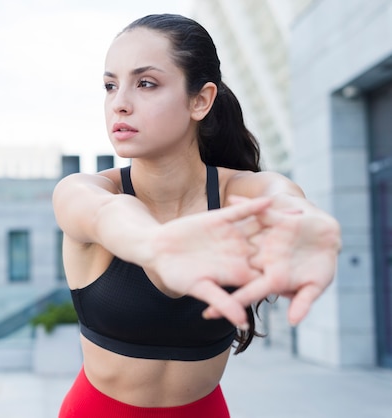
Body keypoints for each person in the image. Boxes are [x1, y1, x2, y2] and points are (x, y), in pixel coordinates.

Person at [52, 14, 341, 418]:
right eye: (110, 85)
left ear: (200, 100)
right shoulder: (86, 191)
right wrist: (155, 246)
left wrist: (302, 221)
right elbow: (108, 215)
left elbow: (281, 197)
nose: (119, 102)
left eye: (146, 83)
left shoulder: (238, 191)